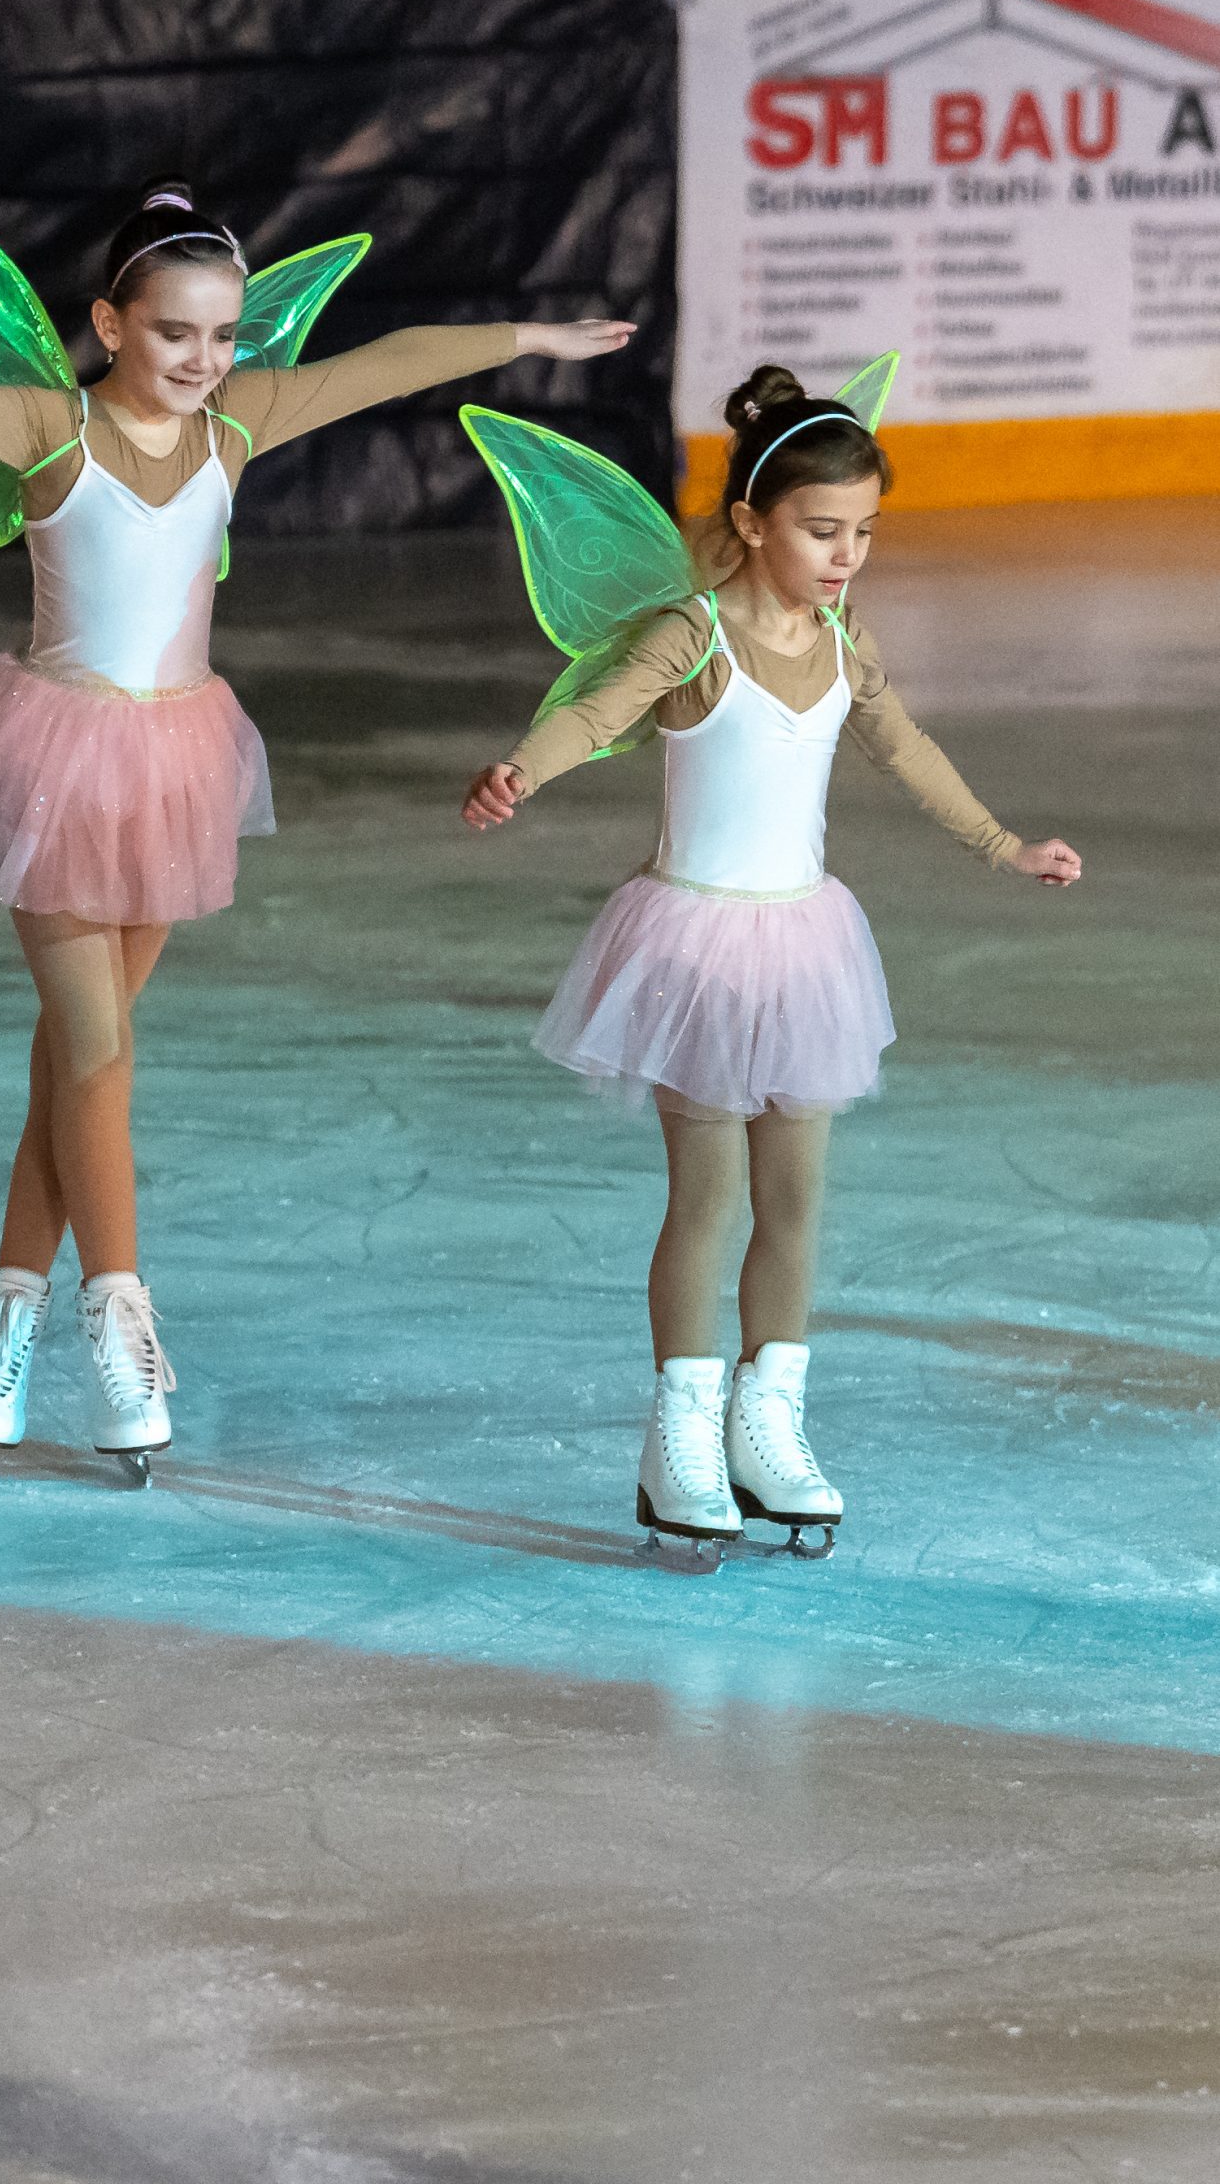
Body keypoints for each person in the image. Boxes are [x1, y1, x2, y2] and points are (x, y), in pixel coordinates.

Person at [0, 177, 633, 1473]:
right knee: (98, 1051)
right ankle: (119, 1313)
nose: (203, 358)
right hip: (54, 762)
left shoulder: (235, 425)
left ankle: (1, 1320)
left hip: (177, 767)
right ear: (110, 324)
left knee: (75, 1067)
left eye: (224, 334)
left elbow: (390, 361)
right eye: (175, 331)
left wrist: (532, 337)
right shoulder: (51, 426)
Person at [461, 362, 1080, 1552]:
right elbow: (596, 710)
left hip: (804, 951)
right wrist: (521, 771)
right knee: (710, 1198)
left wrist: (1004, 845)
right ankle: (680, 1435)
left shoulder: (844, 643)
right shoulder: (690, 635)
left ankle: (767, 1422)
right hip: (694, 951)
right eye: (820, 529)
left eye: (863, 530)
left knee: (794, 1200)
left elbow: (907, 750)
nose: (846, 554)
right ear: (750, 522)